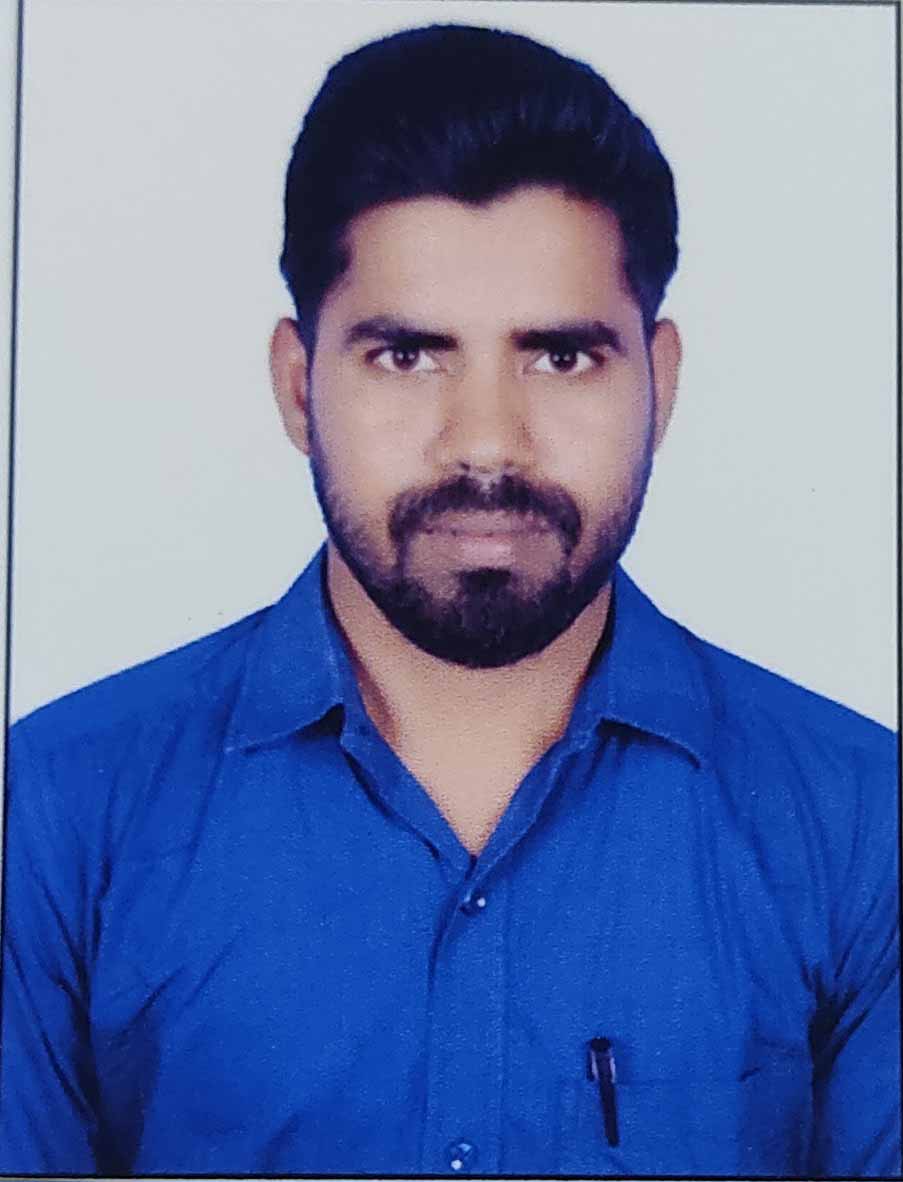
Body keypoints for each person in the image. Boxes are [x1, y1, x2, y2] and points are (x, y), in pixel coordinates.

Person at [0, 21, 898, 1178]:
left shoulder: (863, 827)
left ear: (660, 385)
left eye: (560, 357)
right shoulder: (56, 815)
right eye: (409, 356)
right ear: (297, 386)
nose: (487, 442)